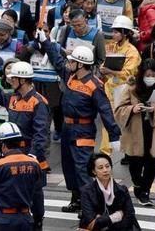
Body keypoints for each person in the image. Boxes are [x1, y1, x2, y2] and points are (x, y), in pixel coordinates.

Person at [38, 30, 121, 214]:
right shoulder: (71, 76)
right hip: (68, 127)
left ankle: (88, 206)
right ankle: (76, 199)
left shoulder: (95, 85)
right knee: (69, 166)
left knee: (82, 169)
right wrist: (46, 42)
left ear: (80, 64)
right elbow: (58, 61)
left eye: (72, 61)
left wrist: (114, 135)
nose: (68, 63)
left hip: (83, 129)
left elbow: (105, 111)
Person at [0, 60, 49, 229]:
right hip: (14, 151)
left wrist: (34, 154)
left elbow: (41, 133)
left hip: (30, 152)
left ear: (22, 80)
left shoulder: (38, 102)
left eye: (13, 78)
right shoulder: (13, 98)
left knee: (35, 192)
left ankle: (37, 221)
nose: (10, 81)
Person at [114, 59, 155, 206]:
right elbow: (119, 110)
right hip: (135, 131)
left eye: (154, 75)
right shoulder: (131, 88)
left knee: (151, 162)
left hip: (153, 131)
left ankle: (145, 192)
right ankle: (137, 185)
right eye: (147, 74)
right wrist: (132, 109)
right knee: (135, 163)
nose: (151, 78)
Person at [78, 153, 139, 230]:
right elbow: (91, 221)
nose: (105, 170)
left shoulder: (122, 190)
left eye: (107, 166)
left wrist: (102, 220)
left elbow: (130, 216)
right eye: (100, 168)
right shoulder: (86, 191)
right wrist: (116, 217)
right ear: (94, 171)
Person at [100, 16, 141, 107]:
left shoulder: (132, 52)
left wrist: (110, 71)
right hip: (109, 88)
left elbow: (128, 74)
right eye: (113, 32)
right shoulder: (112, 46)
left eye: (116, 32)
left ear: (125, 33)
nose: (113, 35)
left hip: (123, 92)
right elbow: (105, 63)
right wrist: (103, 68)